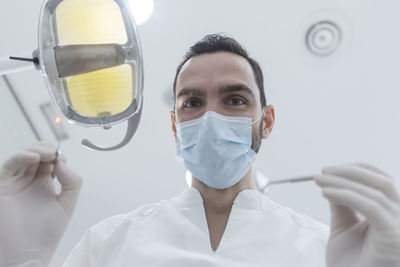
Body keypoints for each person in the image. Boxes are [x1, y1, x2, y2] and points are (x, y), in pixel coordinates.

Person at [0, 34, 399, 267]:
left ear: (268, 121)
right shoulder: (110, 243)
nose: (211, 117)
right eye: (192, 103)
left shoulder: (323, 249)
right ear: (175, 125)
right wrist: (18, 260)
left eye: (236, 100)